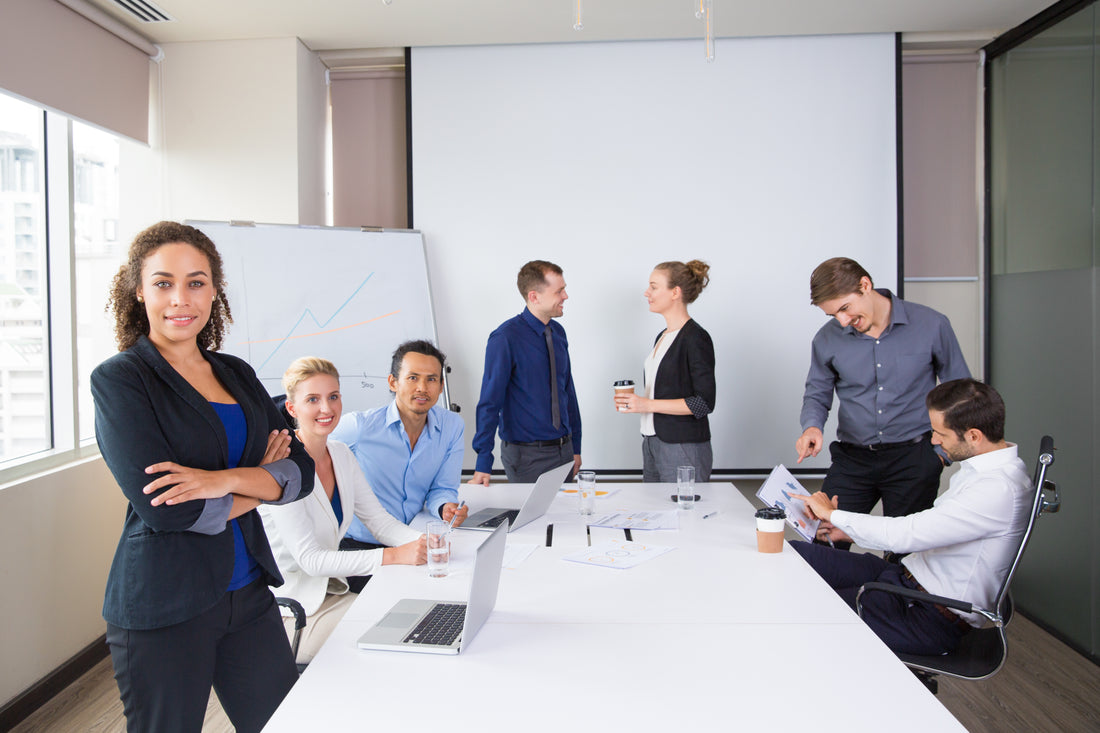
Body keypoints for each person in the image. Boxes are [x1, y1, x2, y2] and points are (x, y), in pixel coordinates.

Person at [91, 221, 314, 733]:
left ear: (214, 291)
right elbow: (169, 510)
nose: (180, 299)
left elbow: (300, 471)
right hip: (166, 605)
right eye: (163, 283)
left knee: (284, 724)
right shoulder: (122, 379)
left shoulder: (235, 372)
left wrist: (221, 480)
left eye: (196, 282)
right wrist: (260, 478)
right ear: (139, 291)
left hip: (250, 595)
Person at [790, 379, 1032, 656]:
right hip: (905, 580)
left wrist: (834, 514)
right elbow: (935, 530)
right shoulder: (985, 470)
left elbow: (908, 533)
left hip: (924, 615)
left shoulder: (997, 489)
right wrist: (844, 530)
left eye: (941, 433)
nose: (934, 440)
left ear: (974, 436)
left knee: (805, 613)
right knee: (794, 554)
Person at [260, 357, 426, 663]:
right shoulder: (282, 467)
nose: (327, 408)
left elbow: (379, 522)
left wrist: (425, 541)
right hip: (293, 612)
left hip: (332, 593)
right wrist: (394, 556)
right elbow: (310, 560)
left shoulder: (339, 453)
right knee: (392, 644)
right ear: (293, 409)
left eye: (333, 397)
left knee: (411, 620)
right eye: (313, 399)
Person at [795, 257, 971, 536]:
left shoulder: (932, 324)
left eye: (844, 308)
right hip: (852, 459)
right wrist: (812, 426)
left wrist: (940, 456)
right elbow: (817, 392)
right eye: (833, 316)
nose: (842, 322)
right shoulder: (826, 339)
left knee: (905, 555)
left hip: (915, 459)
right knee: (825, 538)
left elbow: (960, 393)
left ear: (865, 285)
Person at [330, 340, 467, 557]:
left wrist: (445, 508)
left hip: (411, 537)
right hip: (359, 546)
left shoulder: (451, 427)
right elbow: (309, 451)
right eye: (412, 378)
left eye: (431, 379)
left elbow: (442, 488)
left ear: (441, 387)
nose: (422, 388)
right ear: (393, 383)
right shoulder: (359, 427)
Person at [470, 260, 582, 485]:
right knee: (533, 521)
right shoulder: (505, 338)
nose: (566, 296)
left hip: (564, 451)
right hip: (527, 457)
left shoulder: (558, 333)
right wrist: (483, 460)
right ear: (534, 296)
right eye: (559, 291)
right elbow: (489, 402)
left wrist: (575, 446)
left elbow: (567, 391)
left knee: (567, 519)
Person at [613, 260, 716, 481]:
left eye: (654, 286)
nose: (646, 292)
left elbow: (704, 403)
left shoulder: (696, 337)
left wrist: (646, 404)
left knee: (686, 514)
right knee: (654, 514)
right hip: (652, 442)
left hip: (683, 447)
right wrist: (635, 403)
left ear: (675, 292)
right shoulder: (662, 337)